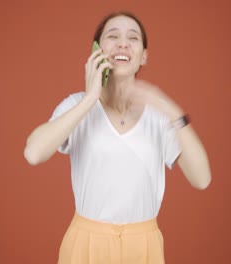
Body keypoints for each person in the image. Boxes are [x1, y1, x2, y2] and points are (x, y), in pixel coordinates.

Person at [24, 11, 211, 264]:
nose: (123, 43)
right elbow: (34, 153)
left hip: (143, 247)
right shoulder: (77, 105)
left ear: (143, 55)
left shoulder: (159, 116)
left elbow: (202, 179)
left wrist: (173, 110)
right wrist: (90, 98)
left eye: (133, 38)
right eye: (113, 36)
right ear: (97, 50)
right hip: (87, 245)